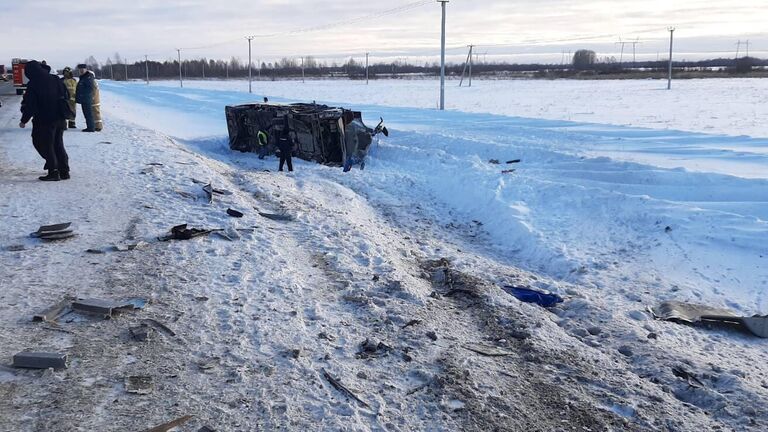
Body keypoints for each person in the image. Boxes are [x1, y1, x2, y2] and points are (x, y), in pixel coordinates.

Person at [19, 60, 70, 181]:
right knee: (58, 143)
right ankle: (64, 171)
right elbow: (66, 95)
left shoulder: (34, 84)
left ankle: (53, 171)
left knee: (46, 145)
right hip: (60, 117)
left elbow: (31, 105)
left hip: (45, 119)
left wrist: (23, 120)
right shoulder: (55, 79)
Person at [75, 64, 102, 132]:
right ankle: (91, 126)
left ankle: (91, 128)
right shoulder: (83, 77)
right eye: (80, 69)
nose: (81, 70)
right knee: (87, 113)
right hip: (84, 98)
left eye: (83, 69)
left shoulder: (88, 77)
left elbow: (90, 88)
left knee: (88, 113)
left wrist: (85, 95)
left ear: (86, 69)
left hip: (87, 98)